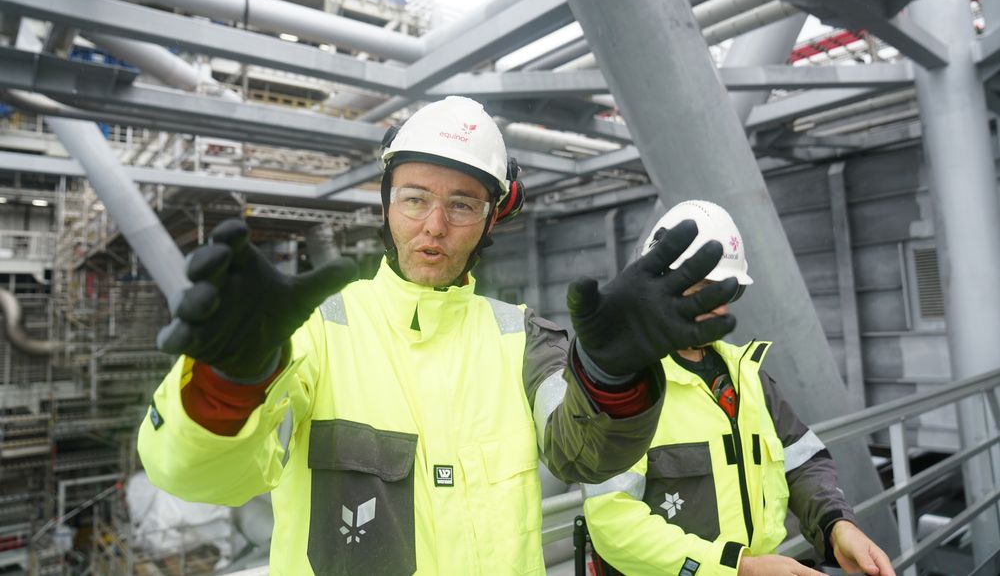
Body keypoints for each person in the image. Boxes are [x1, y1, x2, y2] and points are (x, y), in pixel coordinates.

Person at [137, 96, 741, 575]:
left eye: (461, 206)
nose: (433, 227)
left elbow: (579, 453)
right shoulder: (317, 333)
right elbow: (207, 479)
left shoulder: (519, 339)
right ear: (385, 204)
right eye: (415, 199)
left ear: (491, 218)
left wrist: (611, 381)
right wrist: (228, 382)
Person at [582, 200, 895, 576]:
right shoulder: (624, 389)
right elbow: (612, 522)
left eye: (725, 292)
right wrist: (737, 568)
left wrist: (836, 524)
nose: (715, 307)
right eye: (699, 289)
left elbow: (802, 461)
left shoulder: (747, 375)